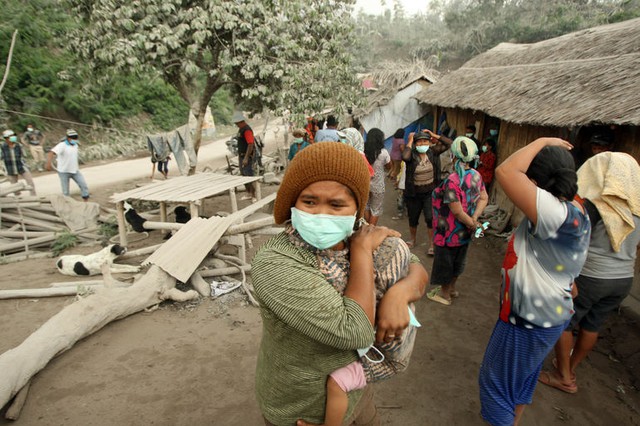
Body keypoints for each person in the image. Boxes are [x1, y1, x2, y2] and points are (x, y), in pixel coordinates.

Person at [251, 142, 428, 426]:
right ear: (292, 203)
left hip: (356, 391)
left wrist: (401, 292)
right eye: (309, 202)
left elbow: (414, 263)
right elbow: (355, 331)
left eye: (336, 205)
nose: (321, 214)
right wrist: (361, 250)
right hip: (303, 407)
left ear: (357, 209)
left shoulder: (359, 235)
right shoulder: (276, 262)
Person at [478, 138, 591, 426]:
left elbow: (506, 172)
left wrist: (542, 140)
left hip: (528, 320)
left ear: (536, 181)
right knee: (520, 383)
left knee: (495, 387)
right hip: (548, 317)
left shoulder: (554, 212)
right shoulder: (576, 211)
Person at [539, 152, 640, 394]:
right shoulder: (637, 208)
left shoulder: (594, 206)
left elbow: (575, 244)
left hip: (592, 276)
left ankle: (562, 375)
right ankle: (570, 367)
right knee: (592, 325)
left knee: (564, 323)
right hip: (623, 279)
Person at [427, 136, 488, 305]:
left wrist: (472, 223)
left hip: (448, 232)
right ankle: (452, 289)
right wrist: (474, 220)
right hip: (465, 231)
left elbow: (457, 211)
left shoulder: (452, 181)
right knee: (458, 261)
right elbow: (484, 198)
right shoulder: (476, 175)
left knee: (445, 262)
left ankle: (444, 294)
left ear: (454, 156)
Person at [401, 129, 453, 254]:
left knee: (430, 218)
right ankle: (412, 240)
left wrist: (434, 135)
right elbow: (405, 156)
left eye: (425, 141)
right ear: (415, 144)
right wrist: (410, 140)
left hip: (429, 193)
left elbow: (449, 143)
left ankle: (432, 244)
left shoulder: (432, 153)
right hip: (413, 194)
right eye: (419, 142)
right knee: (413, 218)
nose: (422, 144)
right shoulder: (412, 155)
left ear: (429, 143)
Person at [46, 129, 90, 201]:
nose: (75, 140)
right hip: (64, 171)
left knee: (83, 185)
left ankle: (86, 201)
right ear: (68, 138)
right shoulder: (62, 145)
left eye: (76, 138)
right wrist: (48, 164)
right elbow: (51, 153)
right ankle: (68, 204)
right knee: (65, 191)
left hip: (75, 170)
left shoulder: (75, 145)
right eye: (73, 138)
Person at [364, 128, 391, 226]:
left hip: (365, 184)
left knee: (365, 207)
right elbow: (389, 166)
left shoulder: (363, 151)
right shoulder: (384, 152)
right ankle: (370, 231)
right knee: (376, 209)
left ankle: (367, 227)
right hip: (378, 185)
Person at [1, 129, 37, 195]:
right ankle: (18, 198)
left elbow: (24, 156)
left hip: (21, 166)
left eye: (13, 135)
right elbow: (1, 157)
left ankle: (33, 196)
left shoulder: (19, 145)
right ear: (6, 138)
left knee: (30, 181)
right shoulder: (3, 146)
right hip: (10, 168)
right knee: (14, 186)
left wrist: (26, 164)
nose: (13, 137)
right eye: (11, 136)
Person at [232, 111, 257, 202]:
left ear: (241, 121)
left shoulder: (246, 130)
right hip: (241, 155)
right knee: (243, 175)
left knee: (249, 175)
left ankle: (253, 195)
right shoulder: (241, 130)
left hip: (246, 156)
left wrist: (246, 157)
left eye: (237, 123)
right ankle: (248, 192)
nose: (236, 125)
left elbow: (250, 144)